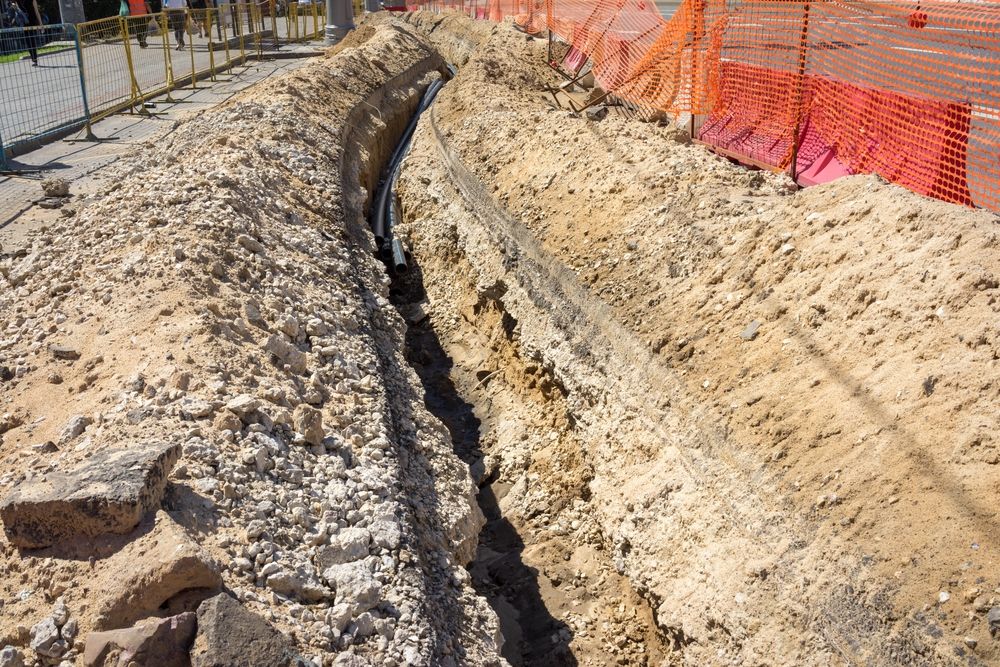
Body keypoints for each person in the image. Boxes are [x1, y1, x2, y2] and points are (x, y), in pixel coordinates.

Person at [14, 0, 41, 66]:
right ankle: (34, 59)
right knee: (28, 41)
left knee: (31, 40)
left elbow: (36, 12)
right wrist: (15, 7)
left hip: (32, 22)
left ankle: (34, 59)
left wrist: (41, 24)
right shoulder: (18, 1)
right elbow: (18, 10)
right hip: (24, 23)